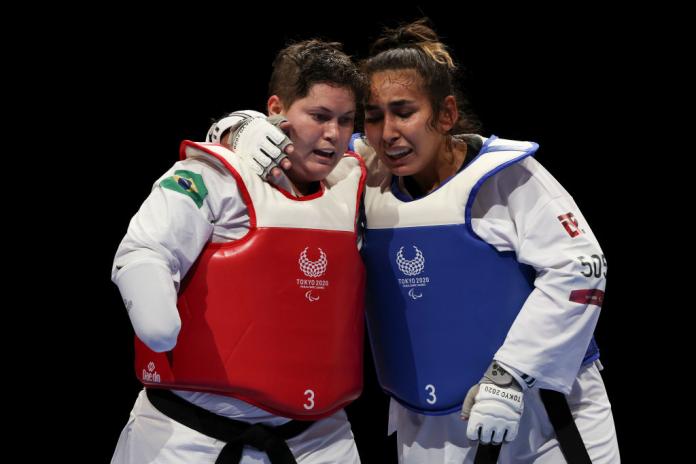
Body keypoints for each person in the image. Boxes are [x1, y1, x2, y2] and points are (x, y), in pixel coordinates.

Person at [231, 19, 619, 464]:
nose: (387, 131)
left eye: (404, 111)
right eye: (373, 116)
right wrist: (238, 128)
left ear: (446, 114)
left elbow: (582, 270)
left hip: (542, 418)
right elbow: (297, 149)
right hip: (426, 428)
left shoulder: (508, 177)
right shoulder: (363, 171)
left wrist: (512, 376)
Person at [111, 39, 367, 464]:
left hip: (322, 441)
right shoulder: (215, 174)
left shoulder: (355, 180)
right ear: (277, 110)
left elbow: (412, 145)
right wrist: (236, 129)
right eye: (319, 116)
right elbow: (144, 248)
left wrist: (235, 123)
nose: (333, 134)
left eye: (346, 120)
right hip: (187, 439)